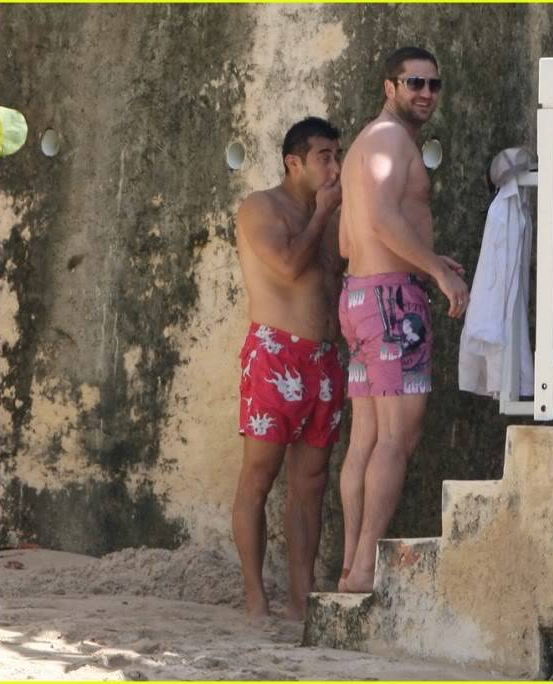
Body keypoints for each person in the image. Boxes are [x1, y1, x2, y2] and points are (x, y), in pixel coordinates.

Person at [336, 46, 469, 593]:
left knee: (366, 439)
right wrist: (436, 271)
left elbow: (350, 237)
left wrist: (424, 260)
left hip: (363, 297)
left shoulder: (366, 143)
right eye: (415, 82)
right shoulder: (390, 140)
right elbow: (384, 218)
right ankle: (366, 569)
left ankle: (350, 566)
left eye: (435, 84)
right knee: (397, 438)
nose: (426, 93)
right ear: (389, 85)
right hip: (393, 304)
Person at [232, 117, 346, 619]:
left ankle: (301, 601)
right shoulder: (262, 207)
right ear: (293, 162)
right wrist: (322, 216)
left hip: (323, 359)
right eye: (325, 156)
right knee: (259, 474)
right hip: (276, 353)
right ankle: (256, 598)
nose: (334, 167)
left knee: (313, 482)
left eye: (337, 155)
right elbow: (286, 267)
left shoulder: (332, 213)